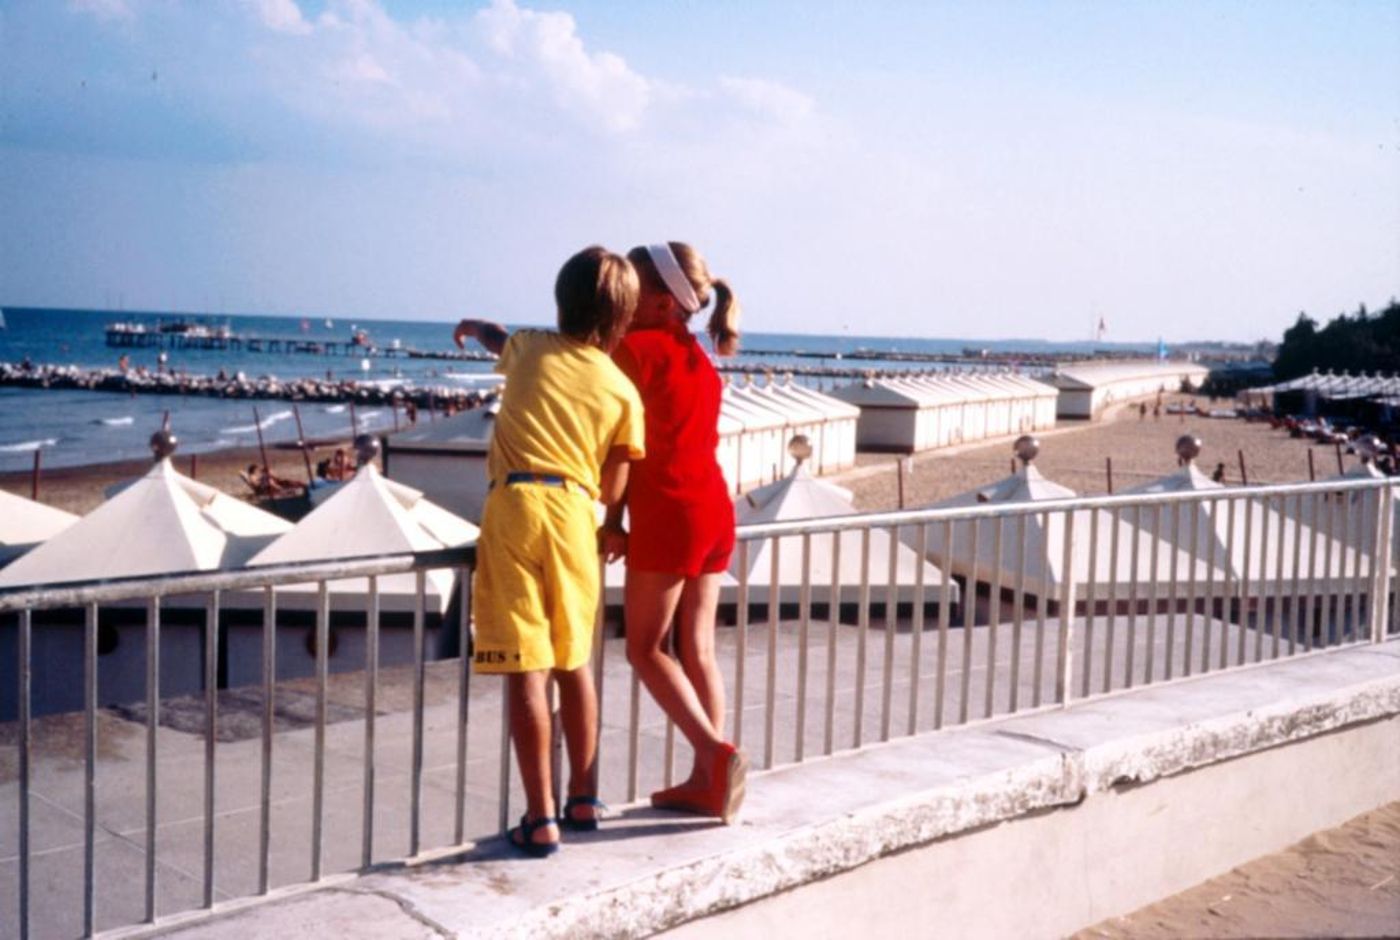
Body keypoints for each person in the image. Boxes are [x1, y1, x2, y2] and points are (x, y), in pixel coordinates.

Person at [453, 246, 644, 857]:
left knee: (525, 670)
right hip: (575, 514)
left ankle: (540, 818)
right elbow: (616, 483)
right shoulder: (623, 391)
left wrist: (473, 326)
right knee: (573, 664)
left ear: (561, 302)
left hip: (515, 506)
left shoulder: (531, 347)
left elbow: (496, 338)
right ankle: (583, 797)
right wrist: (607, 522)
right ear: (623, 319)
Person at [600, 241, 748, 824]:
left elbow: (623, 446)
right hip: (714, 509)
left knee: (645, 648)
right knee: (698, 649)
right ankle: (706, 780)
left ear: (660, 302)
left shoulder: (630, 350)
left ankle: (716, 757)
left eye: (632, 286)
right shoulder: (698, 358)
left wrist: (613, 523)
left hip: (670, 509)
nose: (622, 295)